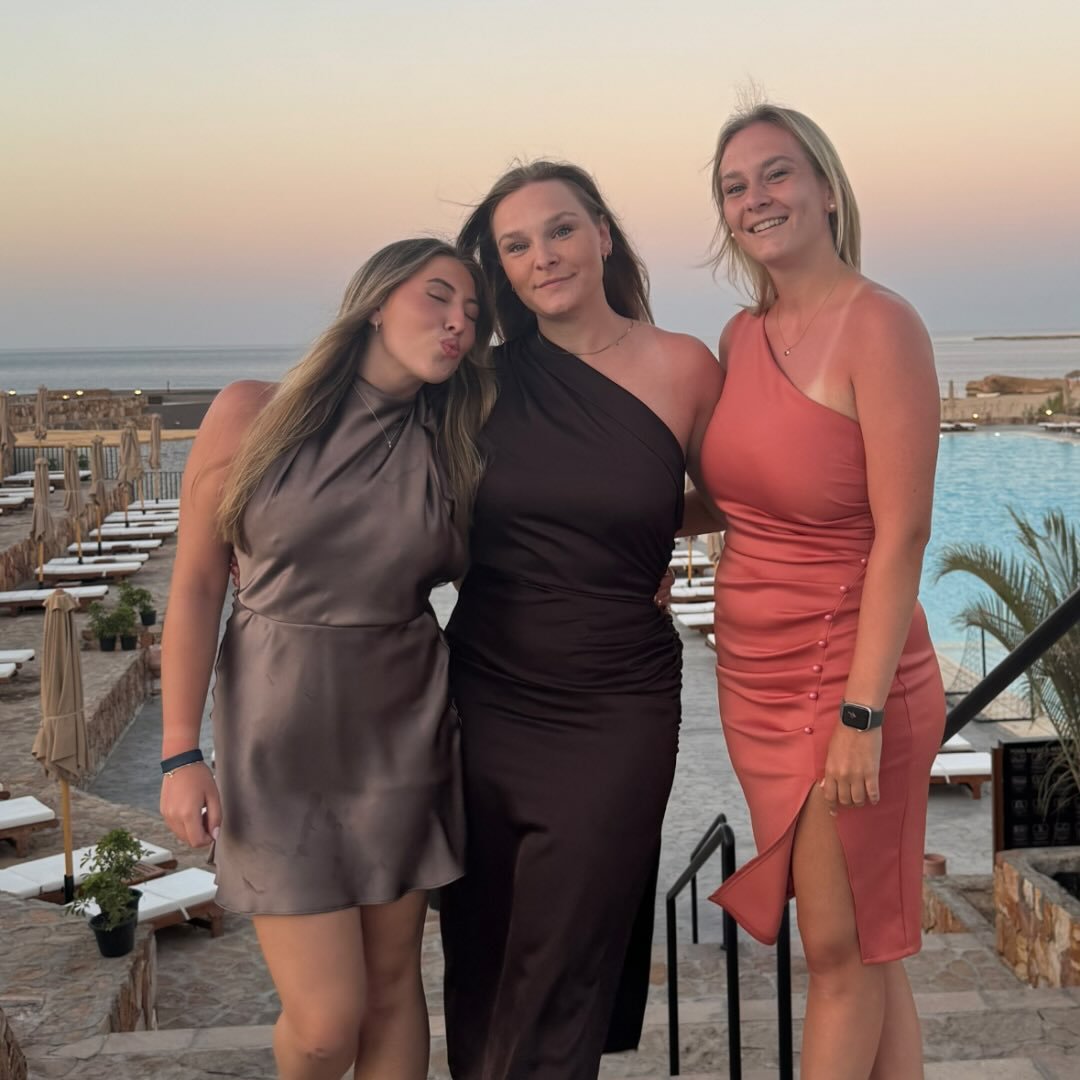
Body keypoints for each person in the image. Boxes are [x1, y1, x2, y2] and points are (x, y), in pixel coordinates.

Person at [159, 238, 496, 1080]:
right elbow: (196, 587)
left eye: (473, 313)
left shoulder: (456, 446)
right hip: (274, 748)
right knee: (322, 1027)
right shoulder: (251, 412)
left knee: (393, 989)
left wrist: (631, 573)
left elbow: (532, 553)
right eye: (438, 297)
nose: (458, 323)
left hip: (405, 737)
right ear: (376, 302)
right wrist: (178, 752)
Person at [440, 161, 723, 1079]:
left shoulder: (684, 366)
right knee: (486, 944)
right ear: (500, 270)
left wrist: (637, 533)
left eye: (560, 230)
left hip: (618, 701)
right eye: (516, 245)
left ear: (602, 234)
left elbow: (735, 497)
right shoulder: (477, 381)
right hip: (488, 691)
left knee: (565, 949)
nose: (543, 256)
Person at [696, 103, 944, 1079]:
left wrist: (860, 714)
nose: (756, 198)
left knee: (839, 957)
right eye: (734, 186)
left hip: (847, 681)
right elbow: (734, 496)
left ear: (827, 190)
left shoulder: (880, 324)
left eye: (777, 173)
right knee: (870, 950)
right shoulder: (739, 336)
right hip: (755, 686)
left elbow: (904, 530)